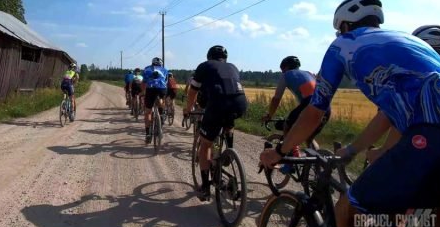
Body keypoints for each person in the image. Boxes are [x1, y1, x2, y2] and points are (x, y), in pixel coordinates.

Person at [259, 0, 440, 227]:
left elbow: (314, 112)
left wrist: (279, 151)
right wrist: (352, 149)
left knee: (347, 214)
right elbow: (389, 116)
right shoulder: (410, 41)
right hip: (436, 141)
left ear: (345, 26)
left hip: (430, 134)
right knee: (427, 220)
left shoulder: (342, 45)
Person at [183, 45, 248, 201]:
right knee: (227, 122)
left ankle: (205, 187)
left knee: (205, 144)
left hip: (218, 104)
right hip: (240, 103)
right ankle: (229, 149)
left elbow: (193, 91)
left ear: (209, 56)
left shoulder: (205, 66)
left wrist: (188, 108)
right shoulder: (232, 66)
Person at [262, 56, 330, 170]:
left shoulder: (286, 75)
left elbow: (276, 99)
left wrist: (269, 115)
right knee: (309, 136)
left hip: (309, 104)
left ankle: (292, 162)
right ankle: (316, 167)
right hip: (326, 106)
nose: (282, 72)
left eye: (282, 69)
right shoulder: (309, 73)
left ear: (286, 67)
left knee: (288, 127)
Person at [141, 57, 169, 143]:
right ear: (161, 63)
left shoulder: (146, 69)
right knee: (161, 100)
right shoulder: (165, 70)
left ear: (152, 63)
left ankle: (148, 133)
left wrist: (143, 93)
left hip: (150, 89)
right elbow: (166, 82)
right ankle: (162, 113)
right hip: (162, 89)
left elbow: (143, 82)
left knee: (148, 111)